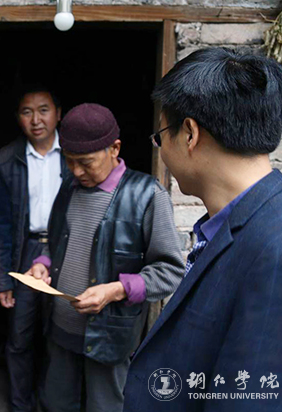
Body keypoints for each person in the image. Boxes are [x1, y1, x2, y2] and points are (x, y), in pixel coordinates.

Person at [123, 48, 282, 411]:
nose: (161, 151)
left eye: (160, 136)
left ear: (189, 133)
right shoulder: (236, 226)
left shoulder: (280, 250)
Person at [28, 103, 185, 412]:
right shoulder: (69, 188)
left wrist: (116, 290)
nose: (76, 171)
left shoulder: (147, 195)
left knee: (106, 406)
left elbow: (171, 271)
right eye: (69, 161)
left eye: (85, 162)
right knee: (56, 404)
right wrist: (42, 265)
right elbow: (55, 244)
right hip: (60, 329)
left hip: (110, 336)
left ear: (115, 148)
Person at [0, 86, 70, 411]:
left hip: (65, 249)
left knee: (59, 332)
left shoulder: (73, 154)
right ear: (18, 118)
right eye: (27, 112)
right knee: (20, 335)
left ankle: (52, 403)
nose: (36, 120)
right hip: (25, 250)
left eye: (43, 110)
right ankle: (20, 405)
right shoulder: (6, 159)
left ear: (58, 114)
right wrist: (2, 280)